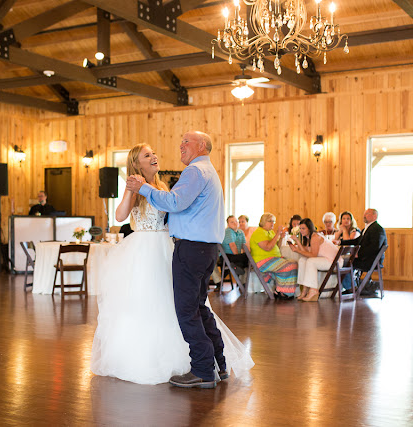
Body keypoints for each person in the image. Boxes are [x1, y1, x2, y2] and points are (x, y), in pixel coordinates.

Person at [92, 140, 253, 389]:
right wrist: (131, 190)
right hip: (144, 249)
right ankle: (195, 362)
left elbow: (173, 211)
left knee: (181, 305)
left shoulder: (162, 185)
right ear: (136, 163)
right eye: (148, 155)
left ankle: (203, 363)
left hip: (169, 247)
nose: (155, 156)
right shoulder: (135, 186)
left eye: (154, 152)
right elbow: (120, 216)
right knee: (157, 304)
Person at [290, 218, 340, 302]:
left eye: (303, 228)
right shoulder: (309, 237)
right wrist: (297, 242)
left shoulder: (315, 236)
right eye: (300, 228)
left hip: (333, 261)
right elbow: (305, 252)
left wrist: (297, 250)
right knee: (302, 260)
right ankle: (304, 290)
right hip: (325, 259)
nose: (301, 231)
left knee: (310, 261)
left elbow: (313, 255)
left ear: (309, 228)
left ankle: (313, 290)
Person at [249, 213, 298, 298]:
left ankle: (285, 292)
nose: (272, 223)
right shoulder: (259, 233)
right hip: (262, 261)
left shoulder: (270, 232)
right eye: (270, 221)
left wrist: (281, 237)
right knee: (288, 266)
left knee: (294, 263)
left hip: (273, 259)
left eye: (273, 221)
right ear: (263, 222)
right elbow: (268, 247)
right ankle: (281, 291)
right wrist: (278, 234)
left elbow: (276, 247)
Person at [340, 208, 387, 295]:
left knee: (344, 262)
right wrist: (341, 242)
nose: (364, 216)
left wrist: (359, 254)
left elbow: (374, 247)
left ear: (375, 216)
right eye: (364, 214)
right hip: (367, 258)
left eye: (367, 214)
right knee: (345, 261)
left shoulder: (377, 229)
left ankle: (350, 288)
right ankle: (351, 287)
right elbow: (357, 241)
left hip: (371, 261)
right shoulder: (368, 228)